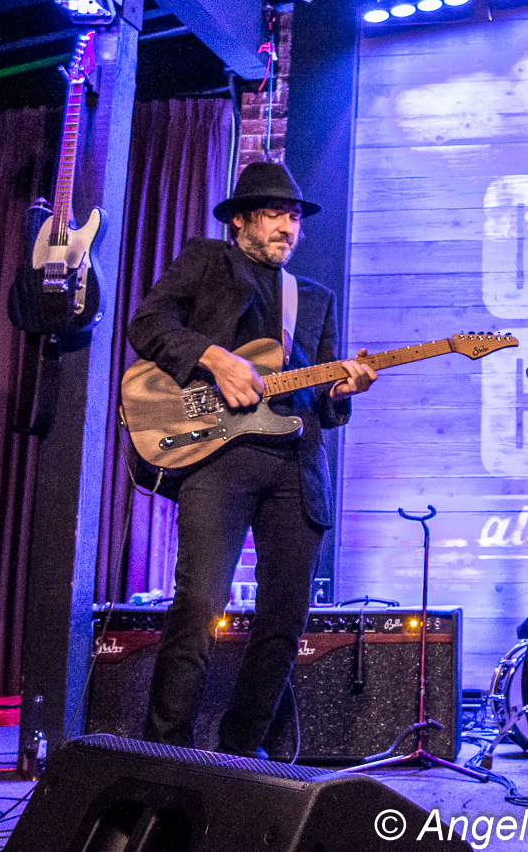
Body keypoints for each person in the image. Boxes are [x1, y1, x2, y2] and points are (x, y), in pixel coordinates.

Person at [127, 161, 376, 757]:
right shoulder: (207, 262)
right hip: (220, 458)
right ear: (240, 220)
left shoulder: (313, 298)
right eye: (274, 214)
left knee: (285, 618)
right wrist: (215, 357)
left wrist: (341, 392)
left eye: (294, 218)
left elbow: (318, 403)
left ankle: (243, 750)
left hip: (296, 467)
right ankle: (166, 751)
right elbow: (147, 324)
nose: (288, 227)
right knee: (198, 605)